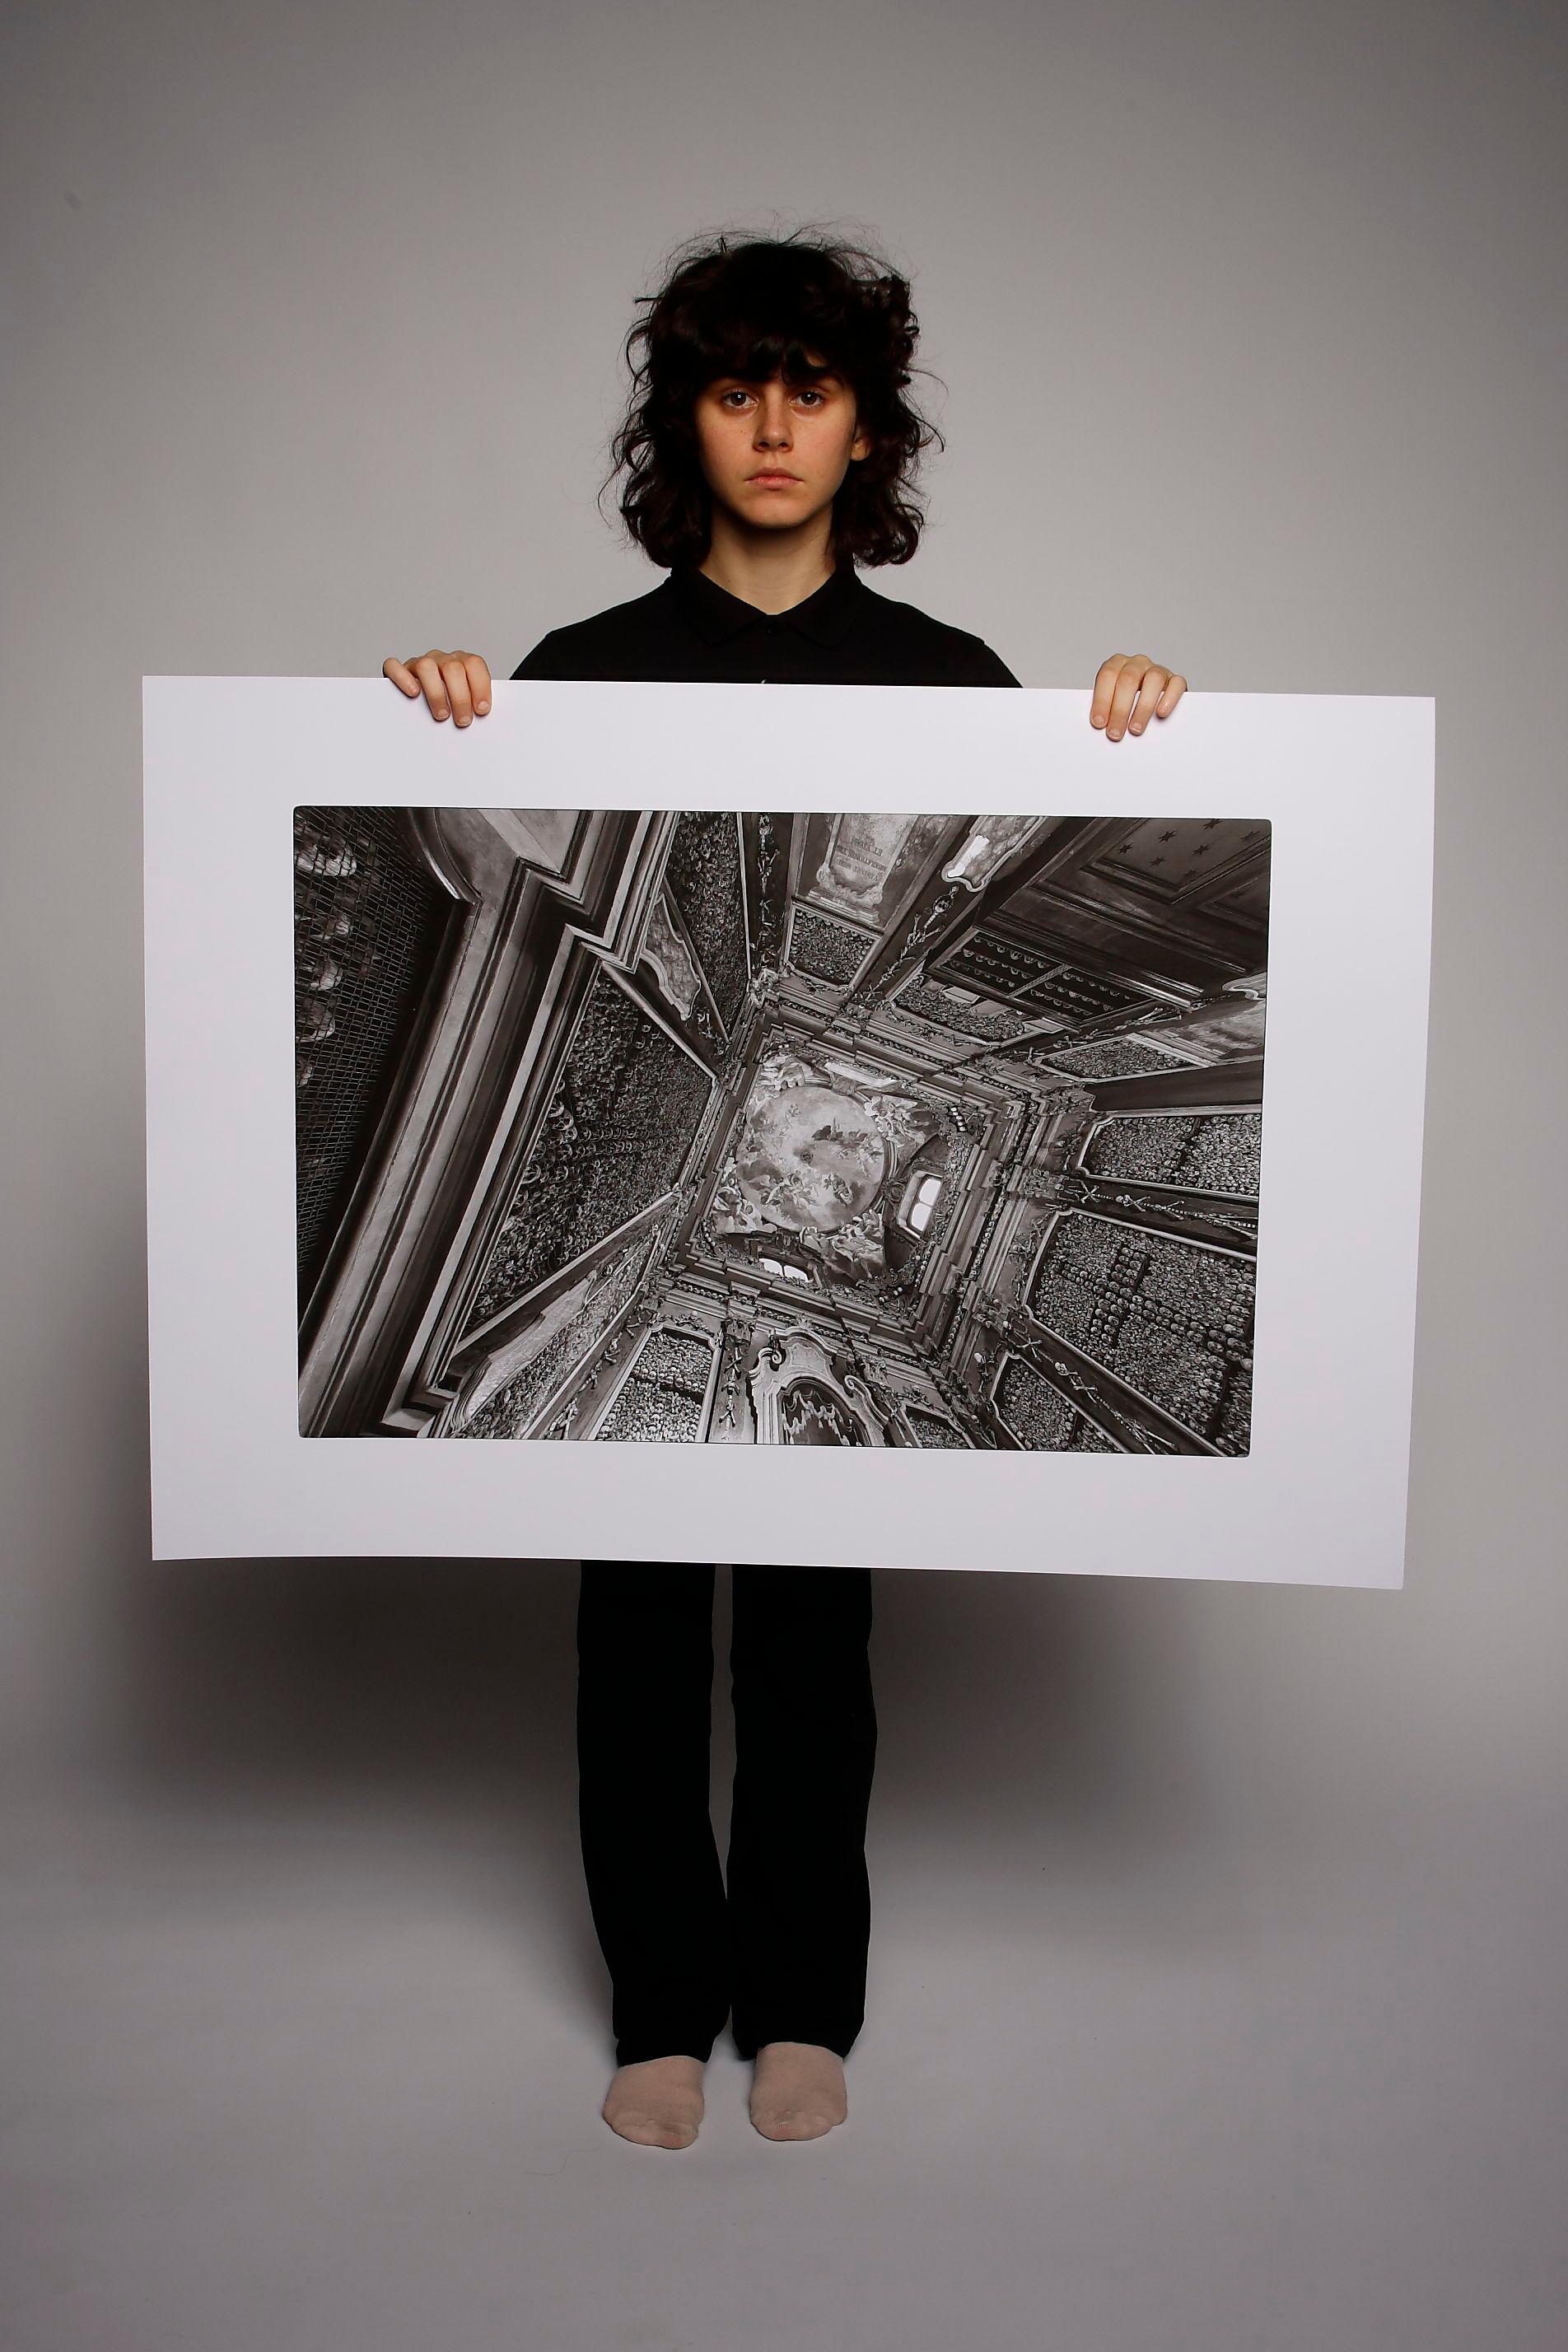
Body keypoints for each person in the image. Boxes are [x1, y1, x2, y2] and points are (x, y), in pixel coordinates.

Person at [384, 231, 1187, 2151]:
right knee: (640, 1639)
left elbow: (1043, 810)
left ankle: (802, 2006)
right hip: (705, 1273)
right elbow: (479, 784)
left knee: (816, 1645)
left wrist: (1150, 724)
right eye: (731, 389)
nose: (768, 427)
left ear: (862, 429)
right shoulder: (586, 669)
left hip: (803, 1313)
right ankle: (663, 2004)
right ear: (683, 419)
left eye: (806, 391)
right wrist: (426, 716)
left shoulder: (948, 678)